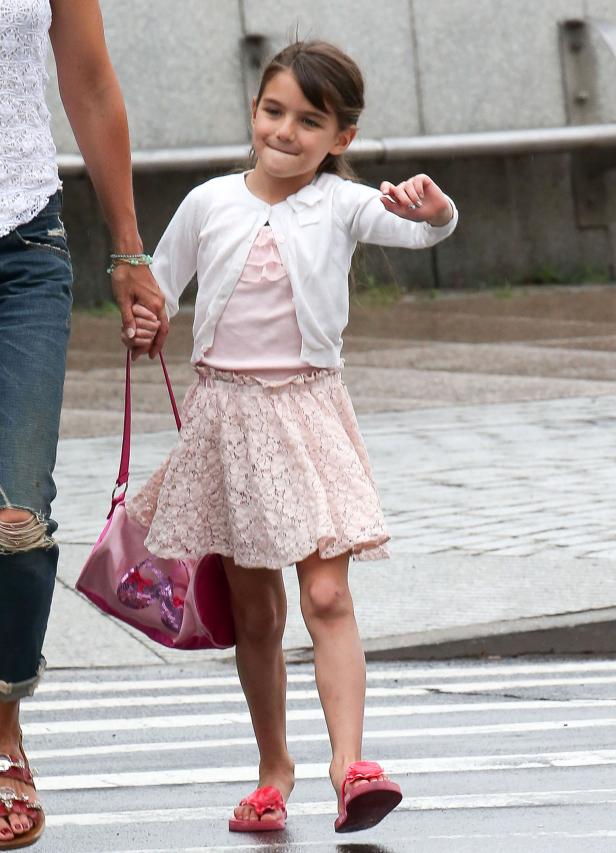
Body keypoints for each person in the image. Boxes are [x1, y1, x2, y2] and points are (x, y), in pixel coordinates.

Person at [126, 40, 458, 834]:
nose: (286, 130)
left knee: (328, 593)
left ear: (341, 137)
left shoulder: (341, 204)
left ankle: (351, 768)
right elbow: (157, 289)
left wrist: (434, 207)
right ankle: (274, 769)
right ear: (253, 111)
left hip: (311, 413)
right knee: (257, 613)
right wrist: (144, 319)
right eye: (274, 111)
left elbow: (422, 233)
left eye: (310, 121)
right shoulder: (208, 202)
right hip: (229, 419)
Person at [0, 0, 168, 847]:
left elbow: (91, 83)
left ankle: (3, 732)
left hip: (23, 247)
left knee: (17, 518)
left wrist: (129, 248)